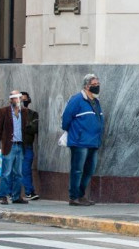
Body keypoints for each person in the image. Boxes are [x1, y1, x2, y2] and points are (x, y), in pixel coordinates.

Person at [62, 74, 105, 206]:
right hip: (79, 142)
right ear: (87, 86)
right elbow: (66, 120)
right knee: (77, 169)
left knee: (89, 170)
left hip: (93, 142)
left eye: (98, 84)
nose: (97, 87)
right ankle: (74, 197)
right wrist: (77, 133)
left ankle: (81, 195)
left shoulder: (96, 102)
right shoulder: (77, 100)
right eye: (94, 84)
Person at [0, 90, 29, 205]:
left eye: (19, 98)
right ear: (11, 99)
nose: (18, 100)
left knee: (19, 173)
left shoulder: (24, 112)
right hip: (10, 145)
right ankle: (3, 196)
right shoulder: (3, 111)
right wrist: (5, 141)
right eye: (15, 98)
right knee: (6, 172)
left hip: (20, 145)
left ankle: (16, 196)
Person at [21, 91, 40, 200]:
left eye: (25, 100)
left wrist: (24, 125)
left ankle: (29, 191)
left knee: (26, 168)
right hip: (15, 145)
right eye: (21, 100)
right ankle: (10, 192)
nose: (24, 102)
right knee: (12, 169)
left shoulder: (33, 114)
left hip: (27, 144)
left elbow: (34, 128)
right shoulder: (12, 113)